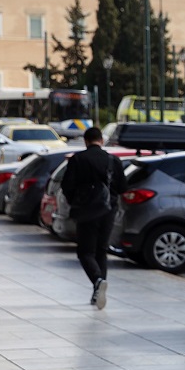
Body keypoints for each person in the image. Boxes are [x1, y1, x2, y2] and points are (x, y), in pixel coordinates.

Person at [61, 126, 126, 310]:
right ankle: (98, 291)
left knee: (84, 252)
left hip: (87, 211)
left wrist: (76, 201)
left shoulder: (78, 159)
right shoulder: (113, 161)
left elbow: (67, 186)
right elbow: (123, 187)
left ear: (86, 141)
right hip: (108, 210)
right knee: (101, 251)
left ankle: (97, 281)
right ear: (102, 141)